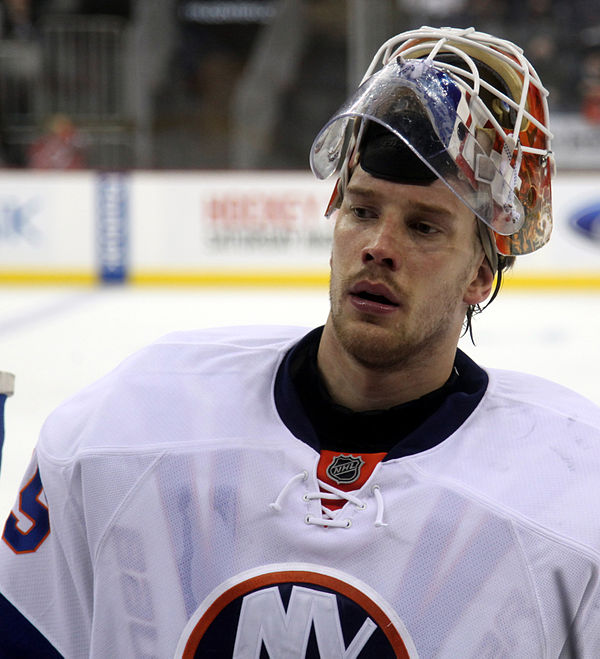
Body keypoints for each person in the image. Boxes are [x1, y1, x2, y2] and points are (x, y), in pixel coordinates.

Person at [0, 25, 599, 657]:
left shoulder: (574, 498)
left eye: (423, 227)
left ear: (480, 274)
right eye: (363, 211)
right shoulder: (125, 422)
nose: (378, 247)